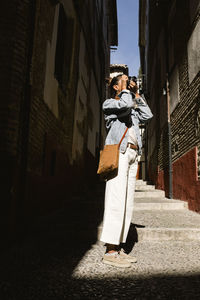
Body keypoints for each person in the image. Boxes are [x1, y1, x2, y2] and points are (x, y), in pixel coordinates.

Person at [100, 74, 153, 268]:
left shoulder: (131, 105)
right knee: (115, 199)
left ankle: (118, 247)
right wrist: (125, 91)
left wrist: (137, 93)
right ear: (115, 87)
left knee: (126, 202)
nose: (126, 83)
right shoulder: (110, 104)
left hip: (132, 155)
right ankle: (110, 250)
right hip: (119, 152)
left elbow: (147, 115)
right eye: (121, 80)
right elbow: (123, 105)